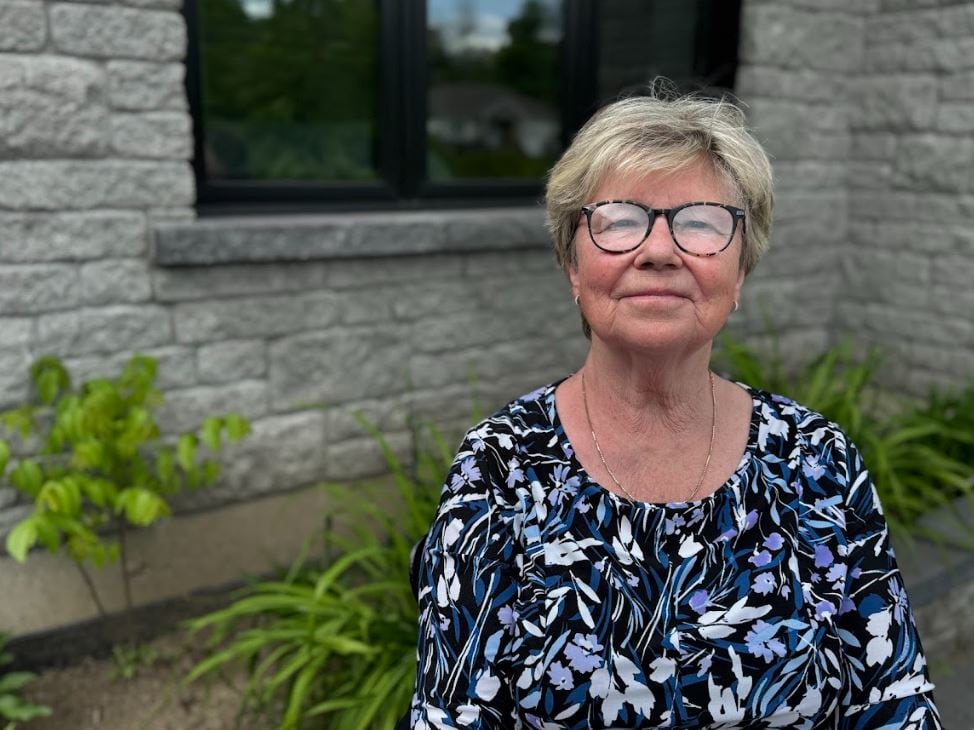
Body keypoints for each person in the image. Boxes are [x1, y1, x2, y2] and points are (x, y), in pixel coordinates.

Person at [408, 90, 942, 729]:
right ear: (572, 264)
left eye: (701, 221)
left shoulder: (818, 461)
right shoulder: (500, 467)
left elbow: (893, 701)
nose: (660, 249)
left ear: (740, 271)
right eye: (619, 218)